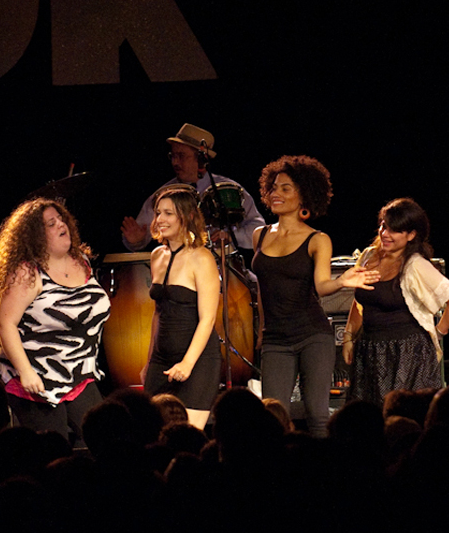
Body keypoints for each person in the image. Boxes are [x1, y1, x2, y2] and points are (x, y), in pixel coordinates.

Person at [251, 155, 379, 437]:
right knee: (272, 418)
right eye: (274, 187)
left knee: (318, 416)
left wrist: (342, 281)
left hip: (312, 335)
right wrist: (261, 328)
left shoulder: (317, 239)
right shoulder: (260, 235)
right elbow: (262, 287)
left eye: (286, 188)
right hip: (275, 338)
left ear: (304, 196)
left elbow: (321, 286)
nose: (276, 193)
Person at [0, 199, 110, 443]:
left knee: (107, 440)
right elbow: (5, 325)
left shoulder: (82, 261)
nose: (61, 224)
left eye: (61, 219)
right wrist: (26, 373)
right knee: (52, 449)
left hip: (78, 373)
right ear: (35, 236)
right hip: (37, 378)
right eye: (51, 223)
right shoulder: (28, 272)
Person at [343, 198, 449, 406]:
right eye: (384, 226)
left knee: (402, 412)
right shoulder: (368, 256)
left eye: (395, 230)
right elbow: (360, 301)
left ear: (411, 235)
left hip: (406, 354)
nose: (385, 234)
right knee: (369, 414)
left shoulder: (415, 265)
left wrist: (438, 332)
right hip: (369, 349)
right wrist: (348, 336)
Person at [142, 187, 221, 430]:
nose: (160, 219)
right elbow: (158, 313)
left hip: (197, 360)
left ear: (187, 216)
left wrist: (187, 363)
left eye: (169, 213)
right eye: (158, 213)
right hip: (161, 359)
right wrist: (149, 361)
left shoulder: (202, 258)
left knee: (187, 436)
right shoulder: (157, 256)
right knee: (153, 432)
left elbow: (208, 319)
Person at [121, 123, 265, 252]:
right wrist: (136, 241)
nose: (175, 162)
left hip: (222, 266)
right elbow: (139, 235)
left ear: (202, 160)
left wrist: (231, 235)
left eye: (181, 156)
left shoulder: (227, 190)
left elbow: (258, 229)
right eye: (173, 156)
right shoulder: (164, 194)